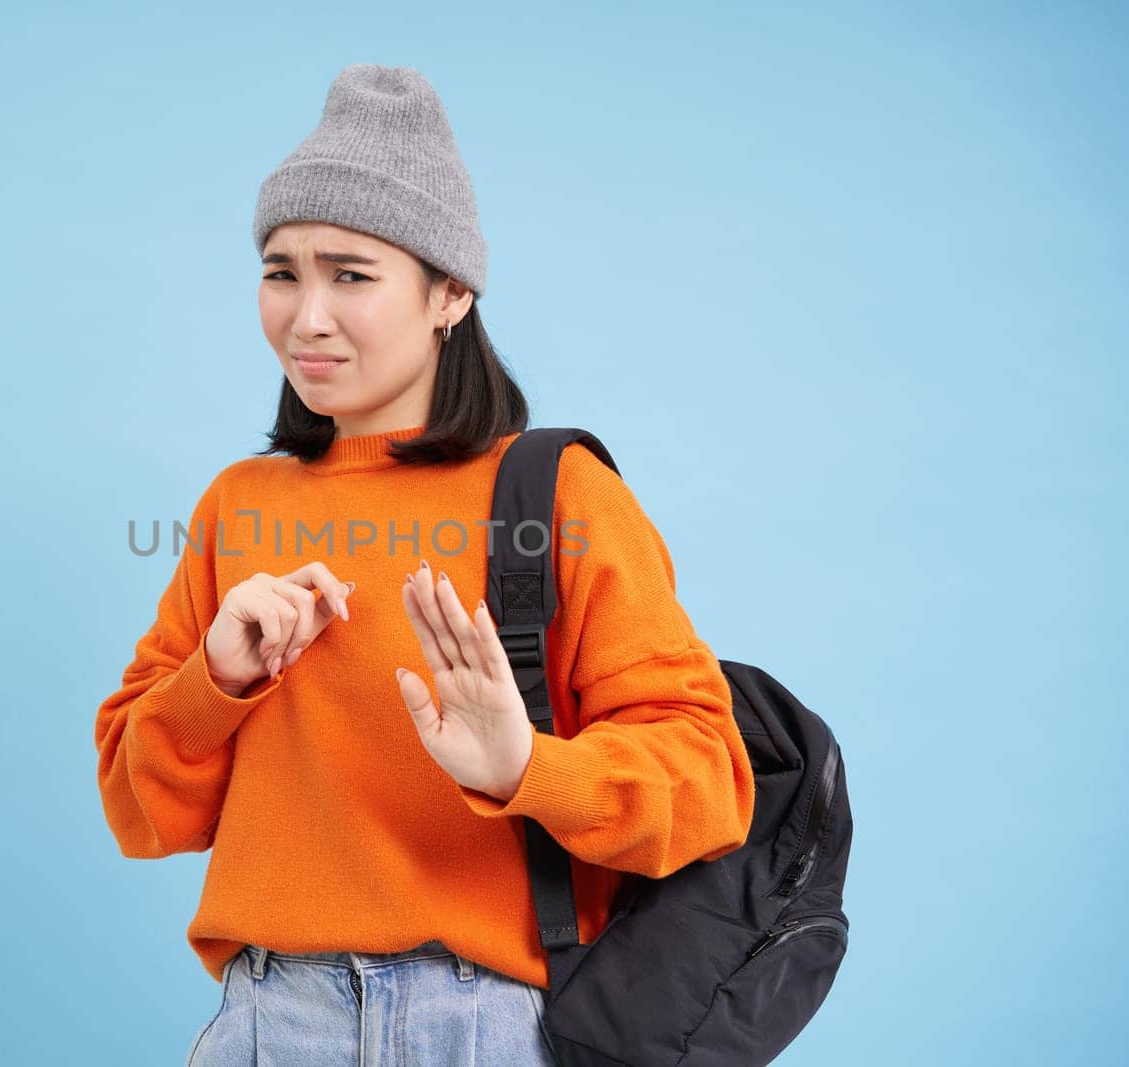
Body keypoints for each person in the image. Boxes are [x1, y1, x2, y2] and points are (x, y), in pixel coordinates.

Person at [94, 63, 755, 1066]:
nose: (305, 316)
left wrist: (524, 766)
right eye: (282, 270)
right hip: (268, 1021)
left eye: (350, 274)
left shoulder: (556, 495)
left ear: (449, 292)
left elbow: (707, 782)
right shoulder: (241, 504)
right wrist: (216, 682)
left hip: (479, 1024)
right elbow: (141, 812)